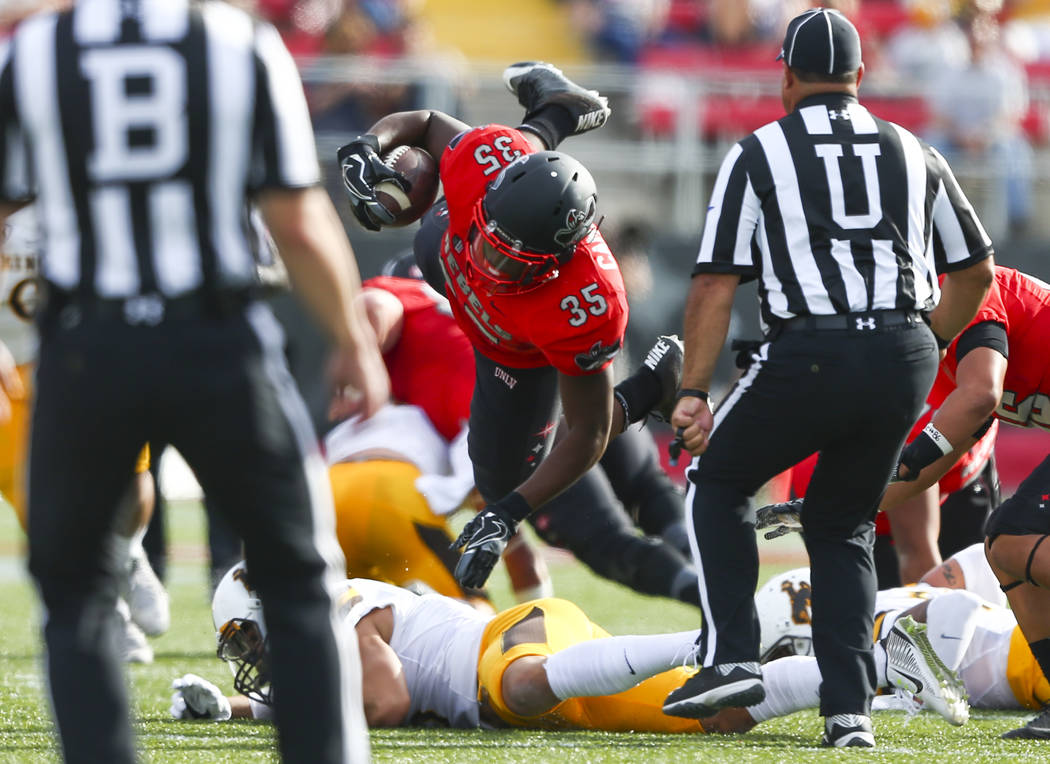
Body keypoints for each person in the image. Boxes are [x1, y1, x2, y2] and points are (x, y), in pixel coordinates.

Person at [0, 1, 389, 761]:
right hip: (218, 339)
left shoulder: (35, 51)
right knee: (298, 580)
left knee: (76, 596)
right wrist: (349, 336)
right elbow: (296, 212)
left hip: (86, 346)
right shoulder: (239, 43)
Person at [662, 8, 995, 748]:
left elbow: (716, 282)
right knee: (843, 524)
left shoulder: (760, 152)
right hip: (904, 352)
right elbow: (974, 269)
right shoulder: (914, 149)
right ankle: (849, 711)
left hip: (811, 347)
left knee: (715, 482)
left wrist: (692, 389)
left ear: (785, 76)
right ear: (861, 77)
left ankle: (732, 658)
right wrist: (926, 340)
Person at [338, 61, 684, 592]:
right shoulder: (488, 168)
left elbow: (588, 431)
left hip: (517, 354)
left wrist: (507, 514)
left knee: (503, 483)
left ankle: (644, 391)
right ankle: (557, 112)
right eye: (489, 241)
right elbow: (428, 122)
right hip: (458, 251)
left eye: (509, 260)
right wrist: (366, 147)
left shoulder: (586, 300)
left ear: (556, 258)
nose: (486, 264)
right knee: (434, 235)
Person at [169, 560, 964, 735]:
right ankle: (865, 673)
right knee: (717, 716)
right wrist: (236, 704)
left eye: (247, 639)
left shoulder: (343, 607)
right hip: (523, 672)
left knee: (521, 687)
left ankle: (723, 633)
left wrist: (271, 715)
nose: (253, 653)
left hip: (513, 643)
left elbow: (385, 701)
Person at [360, 271, 701, 606]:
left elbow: (374, 307)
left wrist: (354, 361)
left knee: (606, 541)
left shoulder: (392, 308)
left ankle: (713, 600)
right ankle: (710, 566)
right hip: (583, 393)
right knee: (647, 489)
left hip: (532, 431)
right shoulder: (471, 286)